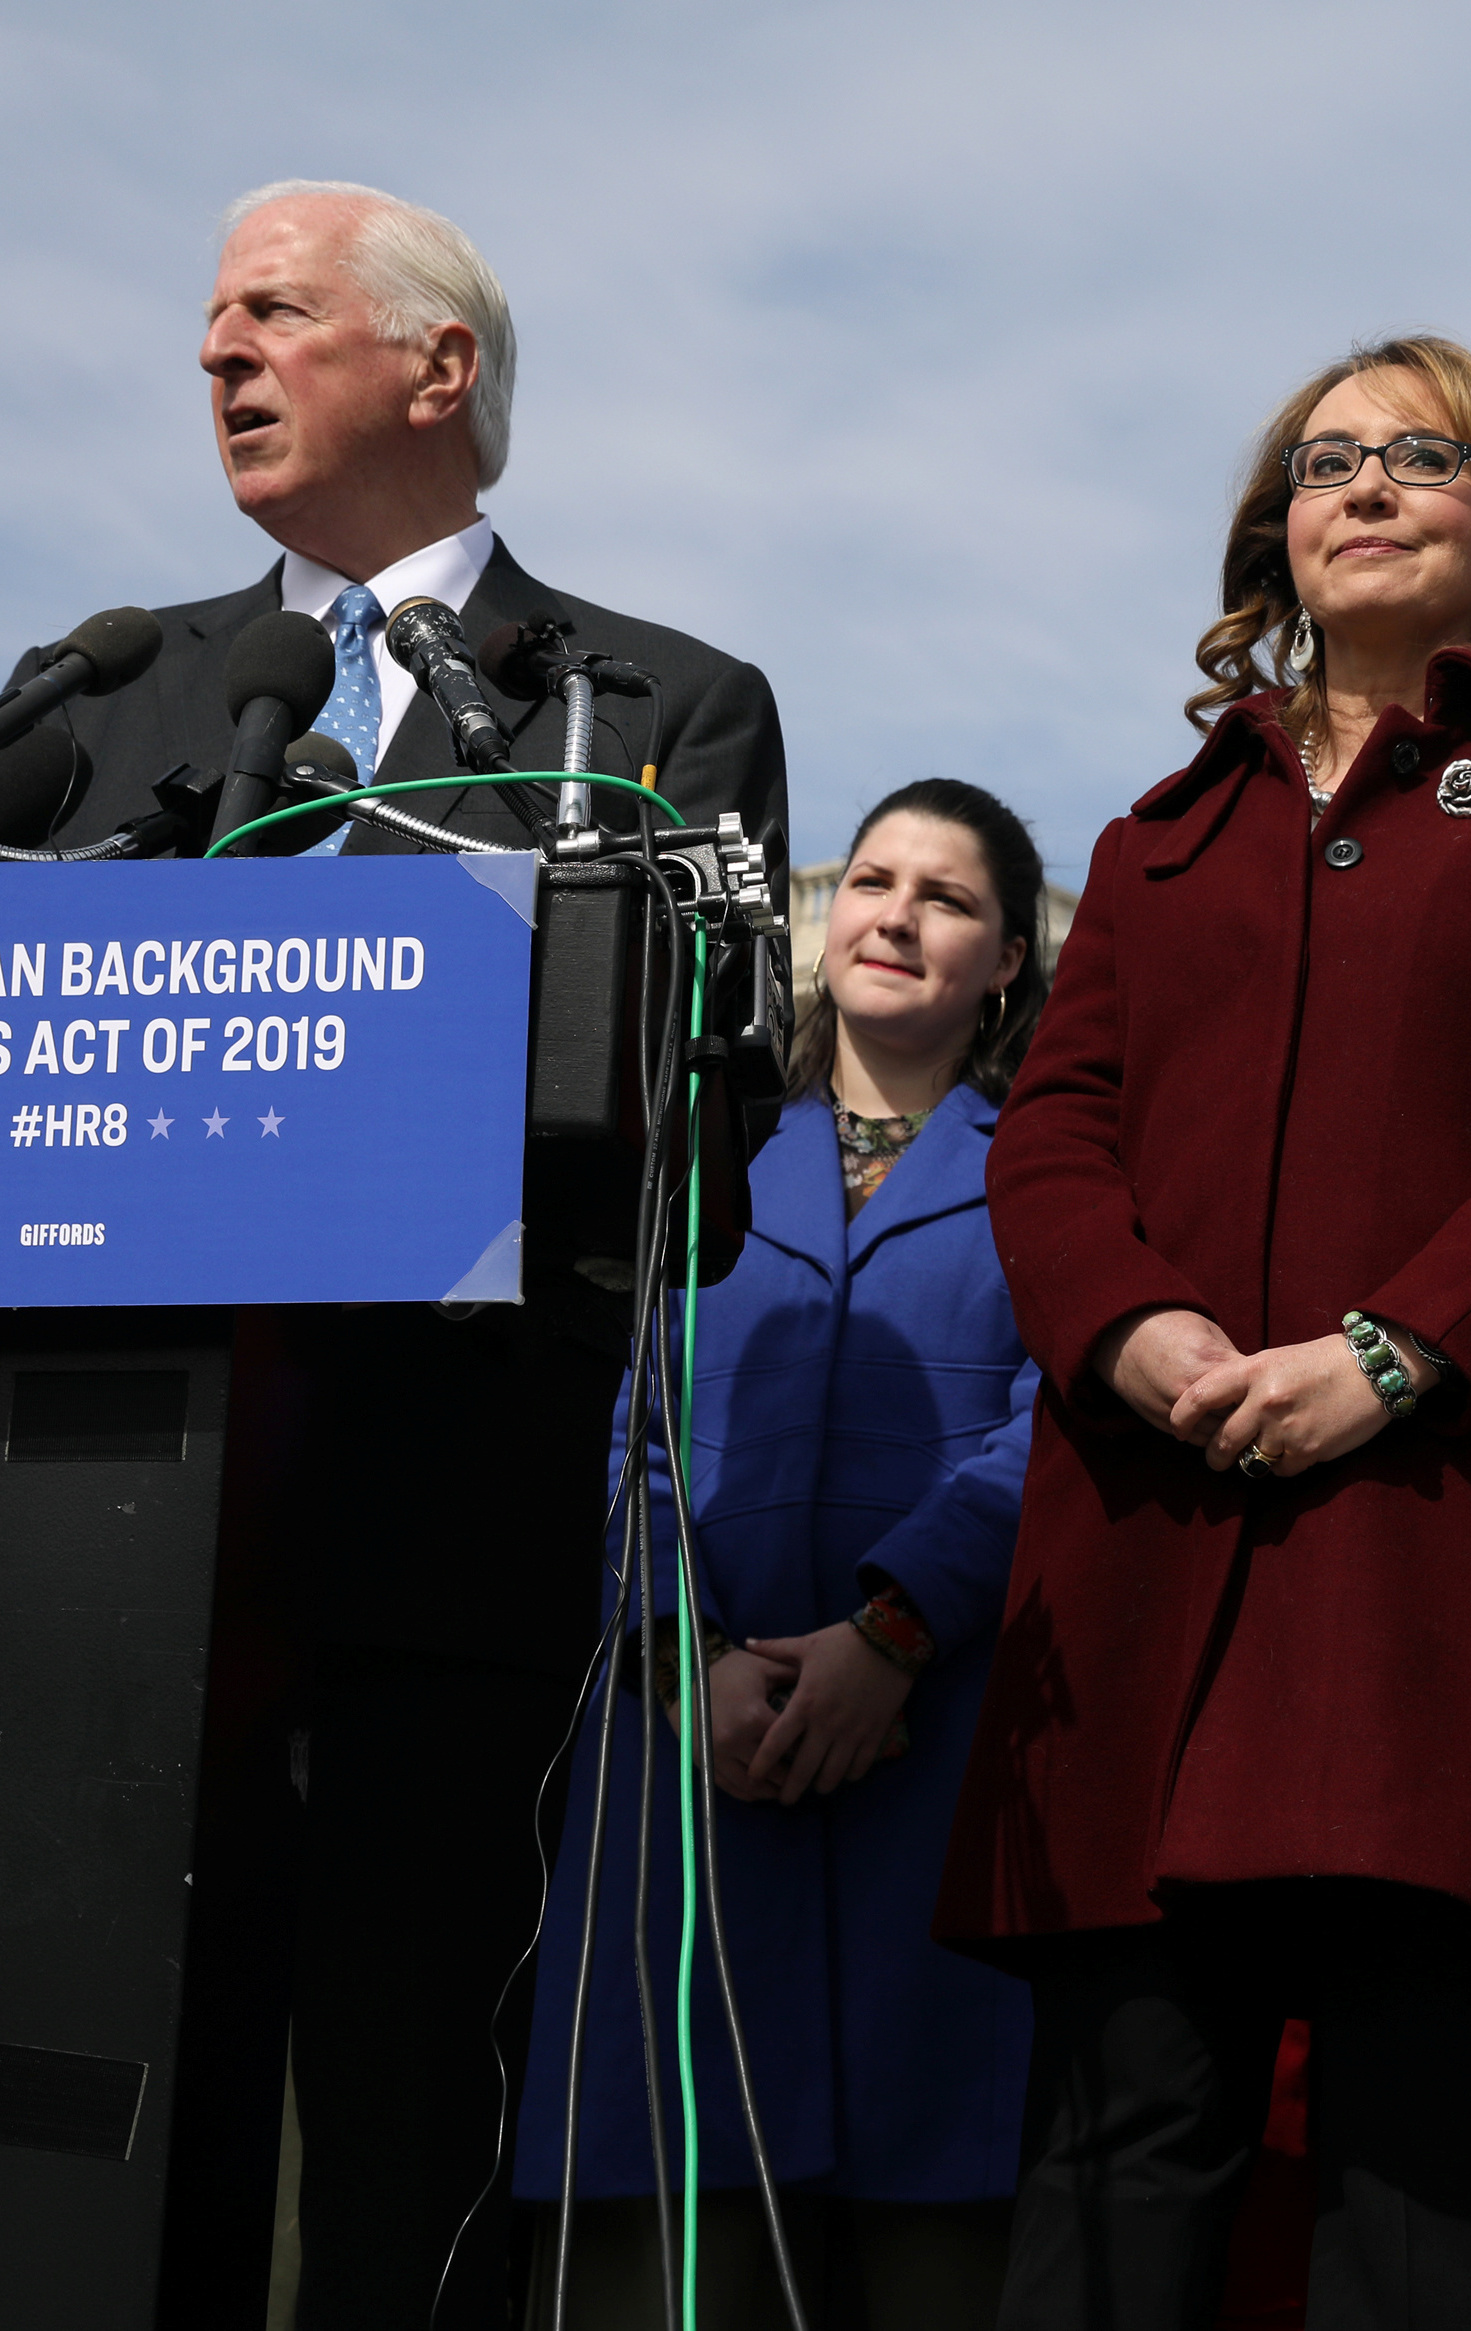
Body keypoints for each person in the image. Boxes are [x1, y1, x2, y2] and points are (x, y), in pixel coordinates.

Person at [16, 180, 787, 2326]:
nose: (212, 351)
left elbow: (701, 1154)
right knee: (88, 2150)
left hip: (446, 1553)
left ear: (437, 367)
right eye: (205, 319)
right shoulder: (98, 693)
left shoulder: (653, 706)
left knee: (399, 2167)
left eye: (268, 309)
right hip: (101, 1552)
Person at [934, 336, 1471, 2330]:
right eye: (1322, 462)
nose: (1362, 486)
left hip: (1428, 1565)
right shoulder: (1154, 835)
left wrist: (1390, 1350)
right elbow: (1053, 1134)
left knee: (1429, 2182)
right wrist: (1132, 1332)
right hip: (1149, 1557)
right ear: (1273, 532)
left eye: (1417, 456)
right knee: (1118, 2164)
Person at [512, 781, 1045, 2328]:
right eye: (872, 880)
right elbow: (640, 1431)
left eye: (945, 897)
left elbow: (1052, 1431)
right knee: (675, 2234)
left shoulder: (1057, 1175)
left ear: (1006, 959)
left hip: (939, 1751)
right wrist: (684, 1659)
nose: (893, 914)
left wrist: (890, 1636)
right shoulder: (707, 1158)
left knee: (932, 2232)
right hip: (695, 1759)